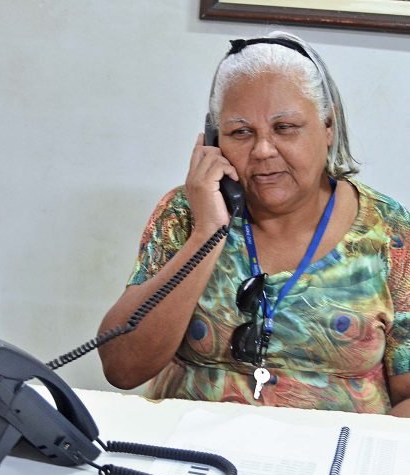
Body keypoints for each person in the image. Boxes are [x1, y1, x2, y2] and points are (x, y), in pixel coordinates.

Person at [97, 31, 410, 416]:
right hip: (191, 447)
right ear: (215, 139)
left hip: (333, 451)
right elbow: (122, 367)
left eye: (285, 127)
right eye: (240, 132)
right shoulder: (185, 212)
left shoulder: (389, 229)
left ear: (328, 126)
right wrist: (207, 232)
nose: (262, 150)